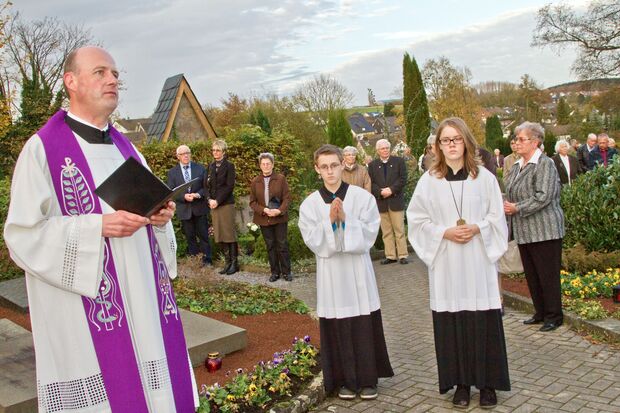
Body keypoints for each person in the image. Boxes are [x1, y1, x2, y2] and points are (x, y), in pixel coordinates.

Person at [3, 46, 197, 412]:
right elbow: (22, 236)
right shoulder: (42, 150)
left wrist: (158, 218)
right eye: (100, 72)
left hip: (143, 303)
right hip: (88, 314)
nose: (113, 79)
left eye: (115, 74)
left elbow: (147, 211)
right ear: (71, 81)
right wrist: (97, 228)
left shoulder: (129, 150)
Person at [407, 117, 510, 409]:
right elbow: (416, 220)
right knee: (453, 324)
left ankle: (488, 385)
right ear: (438, 146)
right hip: (448, 264)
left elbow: (496, 217)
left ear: (466, 141)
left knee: (483, 322)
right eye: (445, 140)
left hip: (478, 261)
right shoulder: (430, 181)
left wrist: (477, 228)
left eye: (456, 139)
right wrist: (444, 232)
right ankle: (461, 385)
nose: (451, 145)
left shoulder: (485, 178)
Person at [298, 144, 393, 400]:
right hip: (331, 275)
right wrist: (331, 224)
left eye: (334, 165)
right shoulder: (310, 204)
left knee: (362, 324)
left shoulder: (363, 198)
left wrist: (345, 221)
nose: (330, 172)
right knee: (338, 325)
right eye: (324, 167)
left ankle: (368, 380)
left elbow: (371, 234)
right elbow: (312, 239)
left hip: (357, 271)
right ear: (317, 169)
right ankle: (345, 381)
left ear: (343, 165)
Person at [504, 122, 564, 333]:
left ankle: (554, 316)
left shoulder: (545, 164)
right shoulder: (516, 165)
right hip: (524, 231)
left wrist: (516, 208)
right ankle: (540, 312)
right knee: (532, 274)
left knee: (547, 275)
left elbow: (544, 196)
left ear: (535, 141)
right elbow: (509, 192)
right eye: (516, 138)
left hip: (544, 230)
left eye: (522, 139)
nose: (516, 143)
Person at [249, 152, 292, 282]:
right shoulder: (255, 181)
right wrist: (264, 210)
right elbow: (252, 202)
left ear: (272, 165)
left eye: (268, 163)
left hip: (279, 218)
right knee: (270, 246)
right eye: (263, 164)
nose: (266, 166)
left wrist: (279, 211)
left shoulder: (280, 179)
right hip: (264, 218)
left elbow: (287, 198)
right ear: (260, 165)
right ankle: (275, 272)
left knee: (282, 245)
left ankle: (286, 272)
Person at [167, 144, 212, 266]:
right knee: (190, 236)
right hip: (184, 209)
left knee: (203, 235)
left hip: (199, 207)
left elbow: (206, 187)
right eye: (182, 154)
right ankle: (195, 261)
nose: (186, 155)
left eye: (187, 152)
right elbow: (171, 192)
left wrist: (197, 195)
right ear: (178, 157)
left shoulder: (200, 169)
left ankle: (207, 260)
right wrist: (183, 197)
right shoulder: (172, 173)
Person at [367, 139, 409, 264]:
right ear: (377, 150)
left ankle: (403, 255)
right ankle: (390, 256)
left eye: (387, 148)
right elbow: (371, 182)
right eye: (382, 148)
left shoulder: (399, 162)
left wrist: (391, 190)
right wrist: (380, 192)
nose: (385, 150)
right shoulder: (372, 165)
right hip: (381, 202)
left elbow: (403, 179)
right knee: (386, 231)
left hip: (395, 200)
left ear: (389, 149)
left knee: (399, 230)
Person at [205, 139, 239, 275]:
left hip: (225, 204)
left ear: (223, 152)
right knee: (219, 234)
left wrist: (217, 200)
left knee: (229, 234)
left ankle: (234, 263)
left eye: (218, 150)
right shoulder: (210, 166)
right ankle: (227, 262)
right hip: (213, 204)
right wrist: (208, 199)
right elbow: (205, 186)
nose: (215, 152)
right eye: (213, 150)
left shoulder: (229, 166)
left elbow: (229, 186)